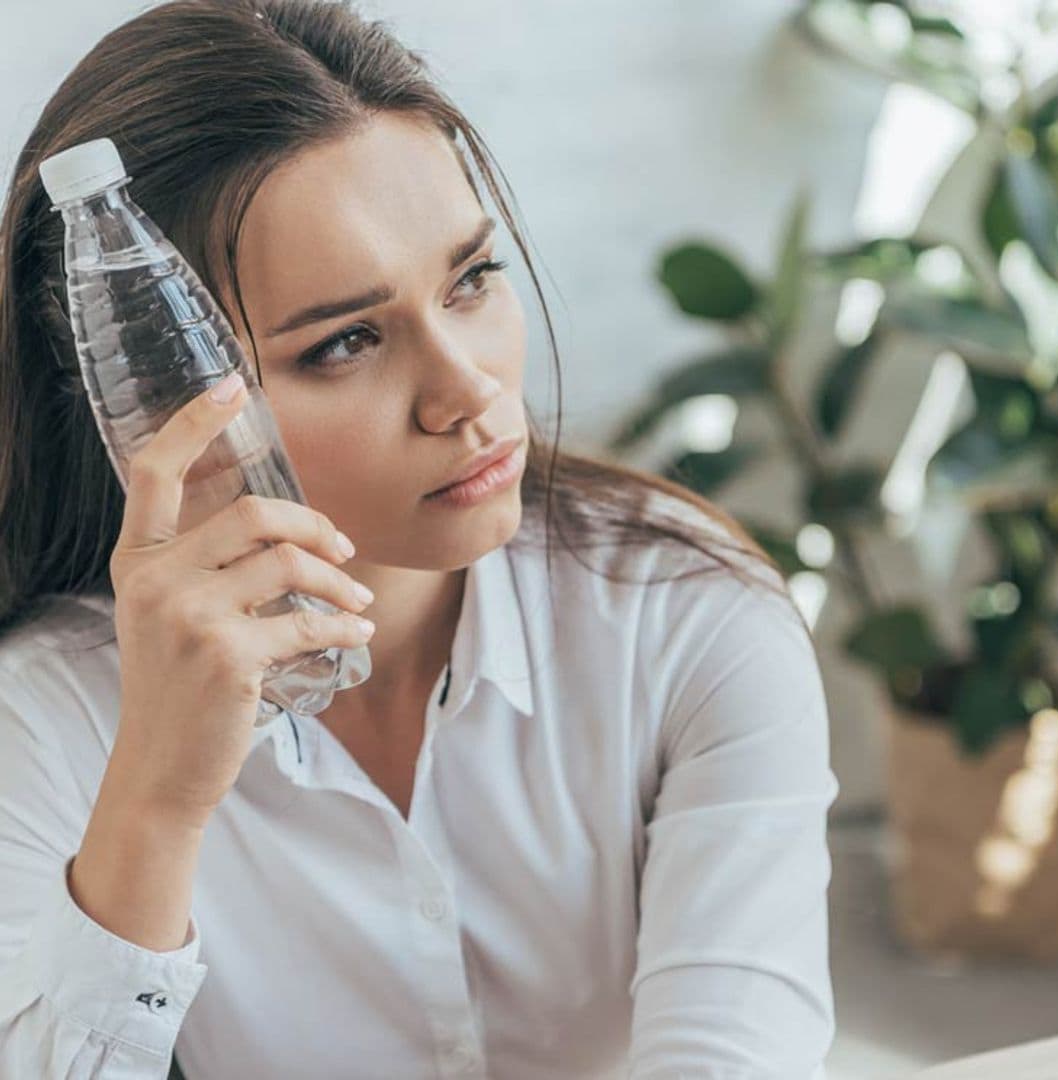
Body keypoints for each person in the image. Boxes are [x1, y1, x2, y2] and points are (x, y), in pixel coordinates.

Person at [0, 1, 840, 1077]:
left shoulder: (684, 615)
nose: (466, 390)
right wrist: (157, 805)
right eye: (346, 342)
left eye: (472, 280)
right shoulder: (48, 720)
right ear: (144, 410)